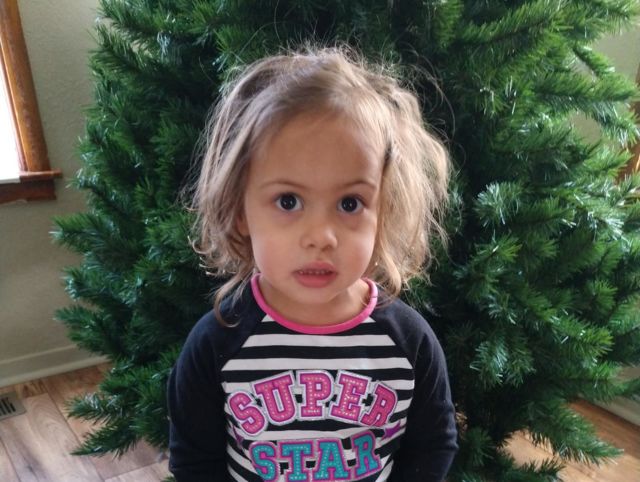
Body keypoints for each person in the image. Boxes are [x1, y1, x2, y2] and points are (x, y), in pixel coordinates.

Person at [168, 46, 458, 482]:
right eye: (288, 201)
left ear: (384, 210)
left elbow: (432, 445)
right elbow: (195, 461)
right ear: (240, 210)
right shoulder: (216, 343)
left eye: (350, 203)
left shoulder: (408, 342)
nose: (321, 236)